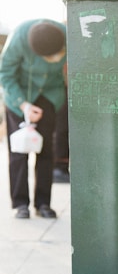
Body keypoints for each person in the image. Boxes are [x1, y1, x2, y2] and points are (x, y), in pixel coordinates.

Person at [0, 19, 67, 218]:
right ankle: (21, 204)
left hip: (49, 97)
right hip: (19, 98)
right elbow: (5, 74)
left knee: (46, 151)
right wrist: (23, 104)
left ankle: (43, 204)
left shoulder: (64, 34)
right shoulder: (18, 38)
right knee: (19, 153)